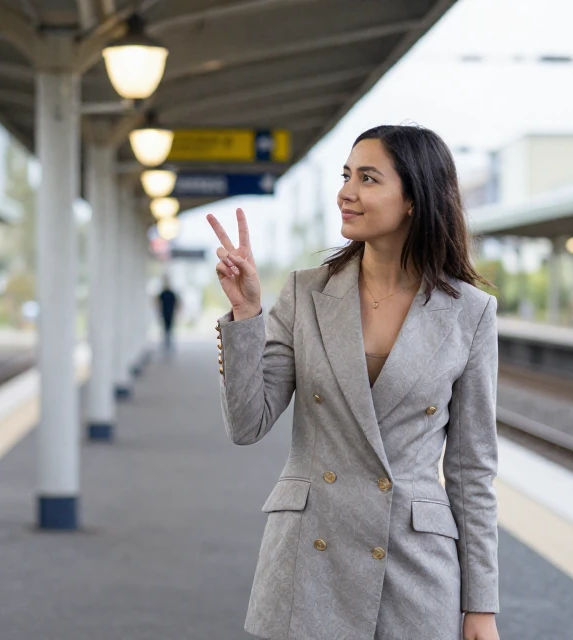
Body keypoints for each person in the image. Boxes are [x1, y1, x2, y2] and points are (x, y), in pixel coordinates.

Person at [207, 125, 500, 640]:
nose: (346, 191)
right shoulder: (305, 292)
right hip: (310, 556)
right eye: (346, 175)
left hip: (413, 565)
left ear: (414, 199)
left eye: (368, 178)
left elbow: (471, 469)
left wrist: (481, 607)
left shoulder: (469, 314)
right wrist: (247, 312)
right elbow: (247, 424)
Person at [158, 276, 178, 354]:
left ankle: (168, 343)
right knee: (167, 328)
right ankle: (167, 343)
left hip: (168, 313)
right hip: (167, 313)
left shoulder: (167, 293)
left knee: (168, 328)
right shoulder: (166, 293)